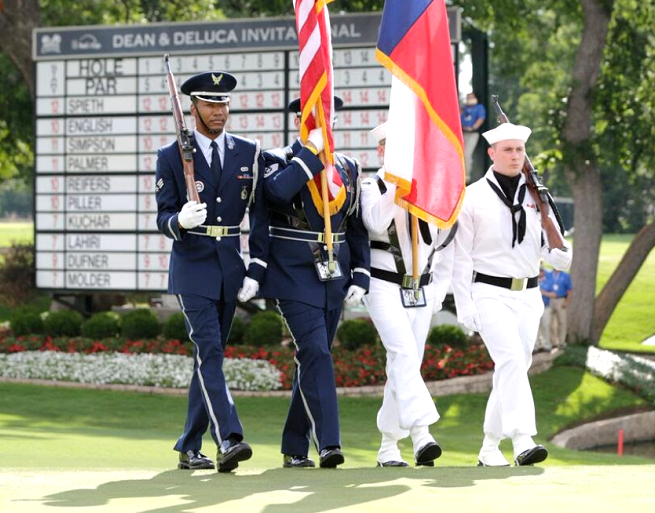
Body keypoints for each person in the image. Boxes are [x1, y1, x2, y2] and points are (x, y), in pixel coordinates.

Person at [155, 70, 268, 474]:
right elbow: (162, 216)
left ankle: (188, 445)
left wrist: (255, 266)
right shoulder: (171, 156)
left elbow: (260, 213)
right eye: (209, 104)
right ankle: (230, 438)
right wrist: (180, 221)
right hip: (192, 266)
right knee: (211, 352)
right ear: (193, 107)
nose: (218, 111)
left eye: (223, 104)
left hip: (229, 268)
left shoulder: (248, 151)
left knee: (208, 359)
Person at [254, 96, 370, 469]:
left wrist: (362, 274)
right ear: (299, 120)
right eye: (313, 116)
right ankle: (330, 443)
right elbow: (276, 193)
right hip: (291, 274)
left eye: (328, 115)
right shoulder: (276, 160)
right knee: (317, 352)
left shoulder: (347, 167)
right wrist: (310, 153)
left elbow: (355, 225)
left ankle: (294, 447)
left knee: (313, 358)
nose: (322, 121)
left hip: (334, 275)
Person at [451, 121, 572, 467]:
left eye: (520, 150)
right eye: (508, 150)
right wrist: (463, 304)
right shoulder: (473, 196)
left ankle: (489, 447)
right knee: (509, 362)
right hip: (488, 291)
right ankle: (522, 440)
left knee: (515, 367)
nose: (516, 156)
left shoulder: (538, 195)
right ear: (491, 154)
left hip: (529, 294)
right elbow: (460, 256)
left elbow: (553, 253)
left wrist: (560, 249)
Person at [359, 121, 455, 468]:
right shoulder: (372, 187)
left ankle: (387, 447)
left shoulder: (432, 190)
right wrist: (397, 189)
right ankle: (421, 432)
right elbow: (373, 221)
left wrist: (441, 289)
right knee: (401, 352)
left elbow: (445, 242)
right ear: (381, 151)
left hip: (422, 288)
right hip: (384, 283)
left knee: (403, 365)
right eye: (392, 148)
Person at [543, 264, 573, 349]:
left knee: (562, 322)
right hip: (550, 300)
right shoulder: (548, 274)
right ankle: (553, 341)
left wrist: (567, 301)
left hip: (560, 299)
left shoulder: (565, 276)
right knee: (550, 322)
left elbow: (570, 290)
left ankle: (561, 342)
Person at [460, 92, 486, 181]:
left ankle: (466, 177)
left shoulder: (479, 107)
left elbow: (481, 118)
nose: (470, 99)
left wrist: (473, 127)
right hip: (462, 133)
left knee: (467, 154)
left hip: (473, 133)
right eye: (468, 98)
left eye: (472, 97)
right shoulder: (464, 108)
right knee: (460, 153)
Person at [536, 266, 553, 352]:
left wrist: (544, 293)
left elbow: (554, 294)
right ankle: (535, 346)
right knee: (534, 327)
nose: (540, 272)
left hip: (546, 307)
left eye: (541, 271)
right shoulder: (534, 281)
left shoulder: (548, 281)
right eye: (539, 271)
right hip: (534, 308)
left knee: (545, 326)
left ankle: (546, 345)